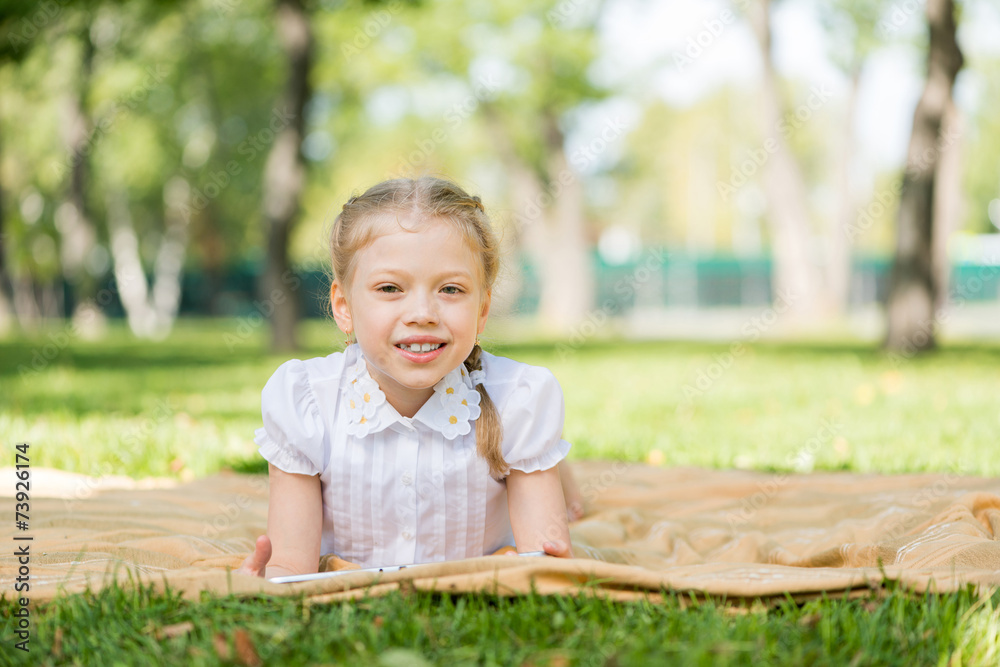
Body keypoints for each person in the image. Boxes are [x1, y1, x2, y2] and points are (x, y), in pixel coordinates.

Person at [239, 176, 581, 579]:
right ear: (344, 306)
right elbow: (289, 569)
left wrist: (550, 555)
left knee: (555, 486)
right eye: (390, 288)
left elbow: (547, 565)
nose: (423, 312)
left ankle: (563, 480)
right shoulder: (308, 402)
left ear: (482, 309)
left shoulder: (517, 400)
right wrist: (268, 578)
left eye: (451, 289)